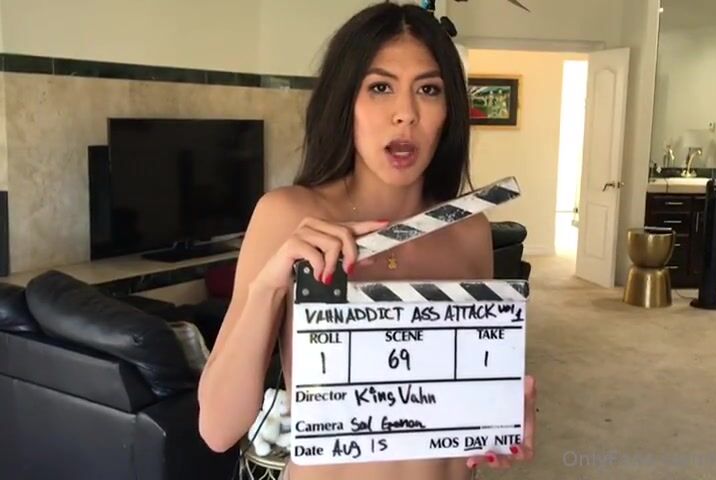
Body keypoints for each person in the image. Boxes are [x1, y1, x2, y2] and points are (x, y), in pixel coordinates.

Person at [197, 3, 536, 479]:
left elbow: (468, 412)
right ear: (345, 102)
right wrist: (268, 288)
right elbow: (217, 429)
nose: (406, 114)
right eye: (380, 87)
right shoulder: (288, 216)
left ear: (449, 111)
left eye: (428, 89)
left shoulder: (468, 229)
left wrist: (502, 414)